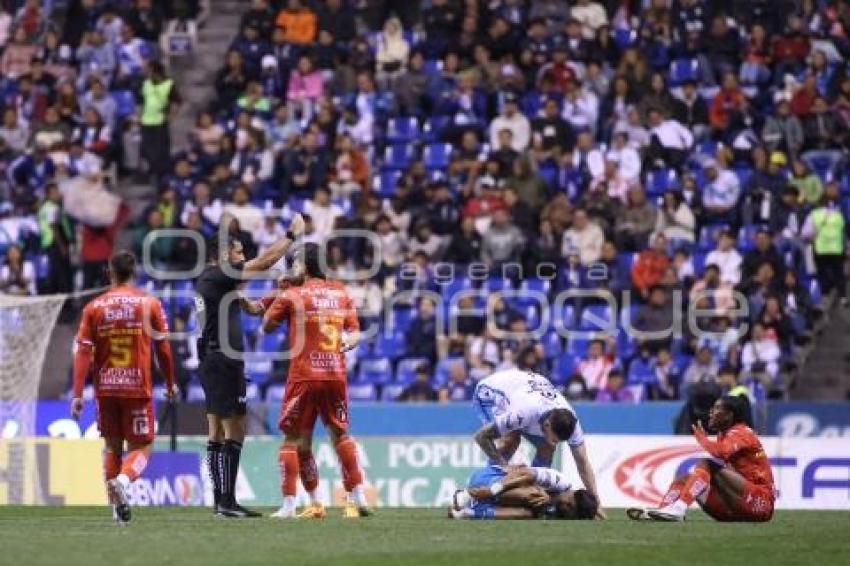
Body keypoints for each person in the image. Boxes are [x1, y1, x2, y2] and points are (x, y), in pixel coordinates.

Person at [194, 214, 305, 518]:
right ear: (223, 256)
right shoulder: (217, 277)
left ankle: (221, 502)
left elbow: (255, 309)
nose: (243, 258)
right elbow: (264, 261)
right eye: (239, 252)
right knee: (236, 429)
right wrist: (291, 236)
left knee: (216, 431)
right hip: (223, 360)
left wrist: (277, 293)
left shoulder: (214, 283)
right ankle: (227, 502)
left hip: (212, 359)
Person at [262, 242, 371, 519]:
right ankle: (357, 496)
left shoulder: (294, 294)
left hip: (304, 376)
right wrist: (347, 343)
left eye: (296, 262)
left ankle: (294, 504)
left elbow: (266, 325)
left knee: (293, 440)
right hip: (334, 374)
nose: (293, 267)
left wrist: (280, 292)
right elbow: (355, 333)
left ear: (305, 266)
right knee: (340, 435)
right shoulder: (341, 293)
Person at [70, 251, 176, 523]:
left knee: (112, 447)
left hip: (105, 388)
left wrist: (78, 393)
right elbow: (163, 348)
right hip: (137, 387)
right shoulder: (149, 303)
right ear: (134, 272)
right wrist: (170, 382)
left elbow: (83, 351)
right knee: (143, 446)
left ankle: (116, 510)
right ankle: (124, 482)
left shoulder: (93, 307)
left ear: (110, 273)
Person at [471, 368, 604, 517]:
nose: (555, 442)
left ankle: (533, 494)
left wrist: (596, 502)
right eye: (555, 438)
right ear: (547, 425)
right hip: (491, 392)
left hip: (527, 392)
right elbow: (481, 436)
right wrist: (504, 466)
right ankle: (488, 487)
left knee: (548, 447)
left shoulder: (572, 423)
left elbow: (583, 462)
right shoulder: (522, 414)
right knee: (511, 439)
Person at [629, 396, 775, 522]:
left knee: (707, 464)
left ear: (729, 415)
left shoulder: (742, 432)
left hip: (761, 503)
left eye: (717, 408)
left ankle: (679, 508)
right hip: (736, 505)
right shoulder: (724, 434)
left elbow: (721, 452)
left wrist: (702, 439)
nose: (711, 412)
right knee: (684, 480)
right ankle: (664, 510)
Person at [449, 464, 598, 520]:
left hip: (496, 504)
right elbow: (522, 473)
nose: (565, 506)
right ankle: (467, 496)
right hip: (489, 479)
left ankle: (468, 513)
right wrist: (491, 490)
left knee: (528, 513)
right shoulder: (559, 481)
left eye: (571, 510)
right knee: (535, 494)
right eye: (569, 503)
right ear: (572, 492)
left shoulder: (564, 515)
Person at [139, 60, 180, 182]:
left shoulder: (168, 84)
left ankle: (163, 175)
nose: (145, 72)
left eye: (147, 69)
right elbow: (141, 101)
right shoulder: (145, 83)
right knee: (148, 149)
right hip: (146, 121)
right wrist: (139, 116)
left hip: (160, 121)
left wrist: (171, 116)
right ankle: (152, 172)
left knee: (161, 150)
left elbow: (176, 101)